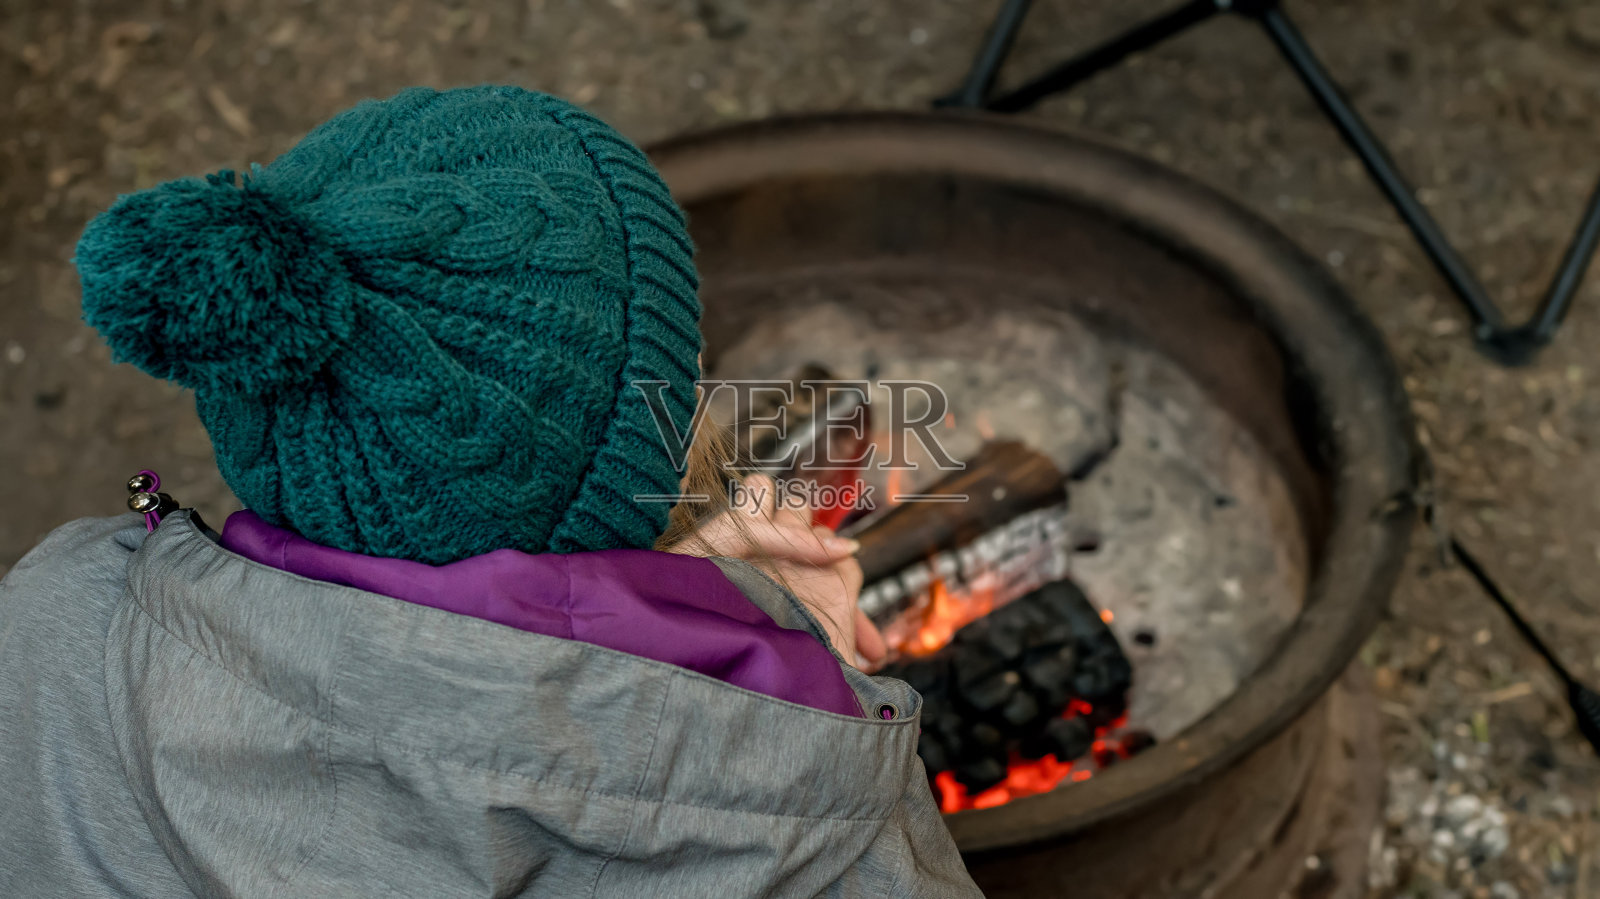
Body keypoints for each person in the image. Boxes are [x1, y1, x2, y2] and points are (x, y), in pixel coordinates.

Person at [0, 85, 980, 897]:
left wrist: (659, 604)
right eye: (679, 374)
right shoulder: (807, 828)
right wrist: (793, 663)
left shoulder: (50, 615)